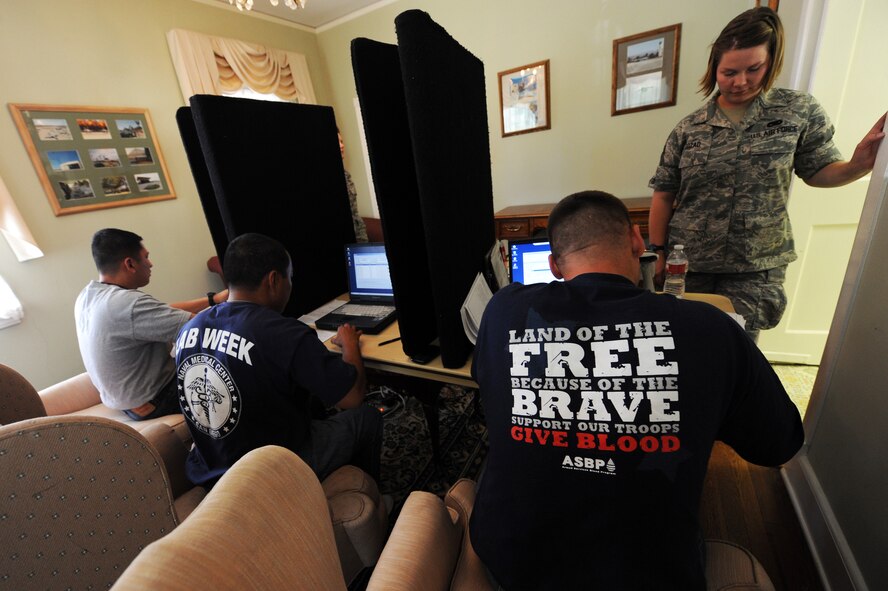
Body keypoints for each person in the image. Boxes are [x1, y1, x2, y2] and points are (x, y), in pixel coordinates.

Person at [469, 191, 804, 590]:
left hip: (510, 561)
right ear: (637, 241)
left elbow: (488, 386)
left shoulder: (504, 309)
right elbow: (779, 444)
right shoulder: (711, 327)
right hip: (644, 577)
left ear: (554, 266)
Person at [648, 6, 886, 340]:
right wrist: (657, 253)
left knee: (741, 350)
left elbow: (817, 171)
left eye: (753, 69)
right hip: (690, 265)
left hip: (755, 265)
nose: (740, 81)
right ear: (713, 66)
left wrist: (858, 166)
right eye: (729, 72)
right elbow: (664, 194)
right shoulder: (689, 128)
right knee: (688, 345)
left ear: (771, 62)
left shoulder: (797, 111)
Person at [173, 232, 382, 487]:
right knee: (366, 417)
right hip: (270, 472)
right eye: (290, 277)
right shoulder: (283, 333)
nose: (291, 286)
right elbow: (352, 398)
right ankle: (368, 490)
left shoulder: (190, 327)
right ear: (273, 280)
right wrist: (350, 346)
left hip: (212, 469)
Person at [75, 228, 227, 420]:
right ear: (130, 264)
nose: (151, 263)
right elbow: (202, 329)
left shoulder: (89, 295)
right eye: (146, 257)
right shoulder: (128, 303)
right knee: (233, 356)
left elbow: (160, 311)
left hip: (125, 401)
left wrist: (214, 300)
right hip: (155, 401)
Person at [339, 128, 369, 243]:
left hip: (357, 238)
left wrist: (363, 242)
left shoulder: (346, 175)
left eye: (342, 141)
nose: (342, 146)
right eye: (338, 142)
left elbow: (355, 215)